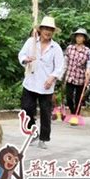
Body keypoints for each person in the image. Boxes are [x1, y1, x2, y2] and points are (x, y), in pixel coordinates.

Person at [18, 16, 63, 149]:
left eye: (50, 29)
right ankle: (32, 133)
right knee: (26, 109)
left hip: (46, 85)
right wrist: (26, 60)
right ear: (41, 29)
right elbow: (21, 55)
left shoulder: (56, 48)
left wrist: (52, 77)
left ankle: (43, 138)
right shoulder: (31, 42)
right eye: (45, 29)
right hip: (31, 82)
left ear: (53, 32)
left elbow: (60, 67)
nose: (47, 32)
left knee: (45, 112)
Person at [63, 28, 90, 115]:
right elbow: (65, 62)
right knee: (69, 97)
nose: (79, 38)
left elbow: (89, 65)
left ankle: (76, 114)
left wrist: (88, 77)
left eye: (81, 37)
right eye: (77, 36)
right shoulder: (70, 48)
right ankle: (72, 111)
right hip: (70, 76)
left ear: (84, 39)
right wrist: (62, 74)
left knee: (78, 98)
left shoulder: (87, 51)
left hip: (80, 78)